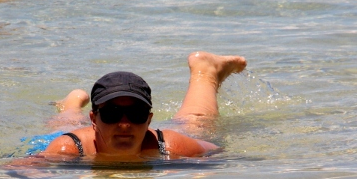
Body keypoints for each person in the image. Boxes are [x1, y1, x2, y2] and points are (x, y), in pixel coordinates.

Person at [39, 51, 247, 160]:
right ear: (93, 119)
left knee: (196, 125)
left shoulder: (169, 146)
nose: (124, 124)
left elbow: (219, 152)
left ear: (149, 119)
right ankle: (73, 103)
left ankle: (206, 70)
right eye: (112, 113)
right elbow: (23, 168)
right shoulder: (69, 148)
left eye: (136, 114)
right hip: (76, 136)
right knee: (66, 124)